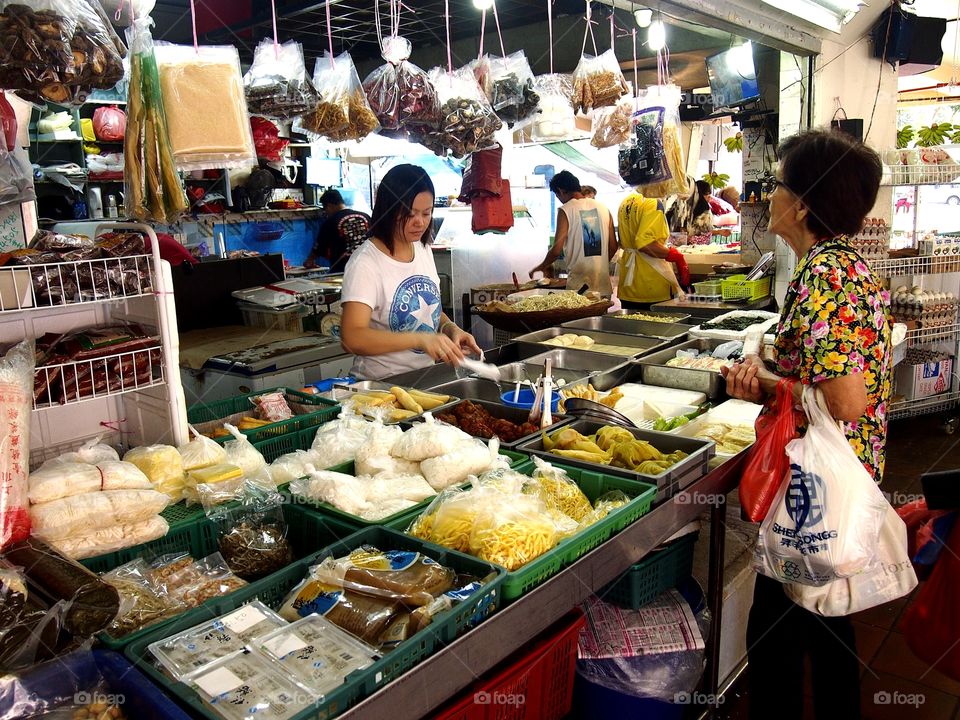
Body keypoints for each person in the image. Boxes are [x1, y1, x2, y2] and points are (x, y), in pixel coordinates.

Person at [720, 130, 890, 720]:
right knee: (825, 624)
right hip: (834, 479)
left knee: (777, 636)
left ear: (803, 204)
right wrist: (772, 365)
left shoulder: (826, 275)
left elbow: (844, 399)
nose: (769, 196)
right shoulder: (838, 266)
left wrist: (763, 383)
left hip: (816, 489)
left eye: (780, 185)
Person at [340, 164, 481, 380]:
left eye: (427, 213)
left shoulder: (422, 249)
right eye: (409, 213)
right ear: (389, 209)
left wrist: (449, 328)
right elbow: (352, 338)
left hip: (425, 379)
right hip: (381, 386)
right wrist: (420, 339)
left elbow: (429, 311)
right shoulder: (365, 263)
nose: (420, 222)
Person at [529, 171, 617, 295]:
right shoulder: (604, 208)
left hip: (579, 287)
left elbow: (556, 250)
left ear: (561, 190)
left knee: (581, 315)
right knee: (601, 314)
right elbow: (613, 246)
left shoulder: (565, 210)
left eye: (557, 195)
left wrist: (542, 266)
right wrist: (599, 264)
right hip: (603, 287)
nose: (559, 200)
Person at [617, 192, 689, 307]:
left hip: (628, 284)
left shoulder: (626, 201)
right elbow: (645, 244)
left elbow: (622, 241)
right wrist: (674, 255)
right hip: (651, 282)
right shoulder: (653, 202)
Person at [305, 189, 371, 272]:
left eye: (325, 210)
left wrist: (309, 261)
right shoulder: (365, 216)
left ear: (329, 206)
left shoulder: (330, 222)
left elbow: (319, 247)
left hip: (343, 270)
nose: (326, 213)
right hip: (368, 267)